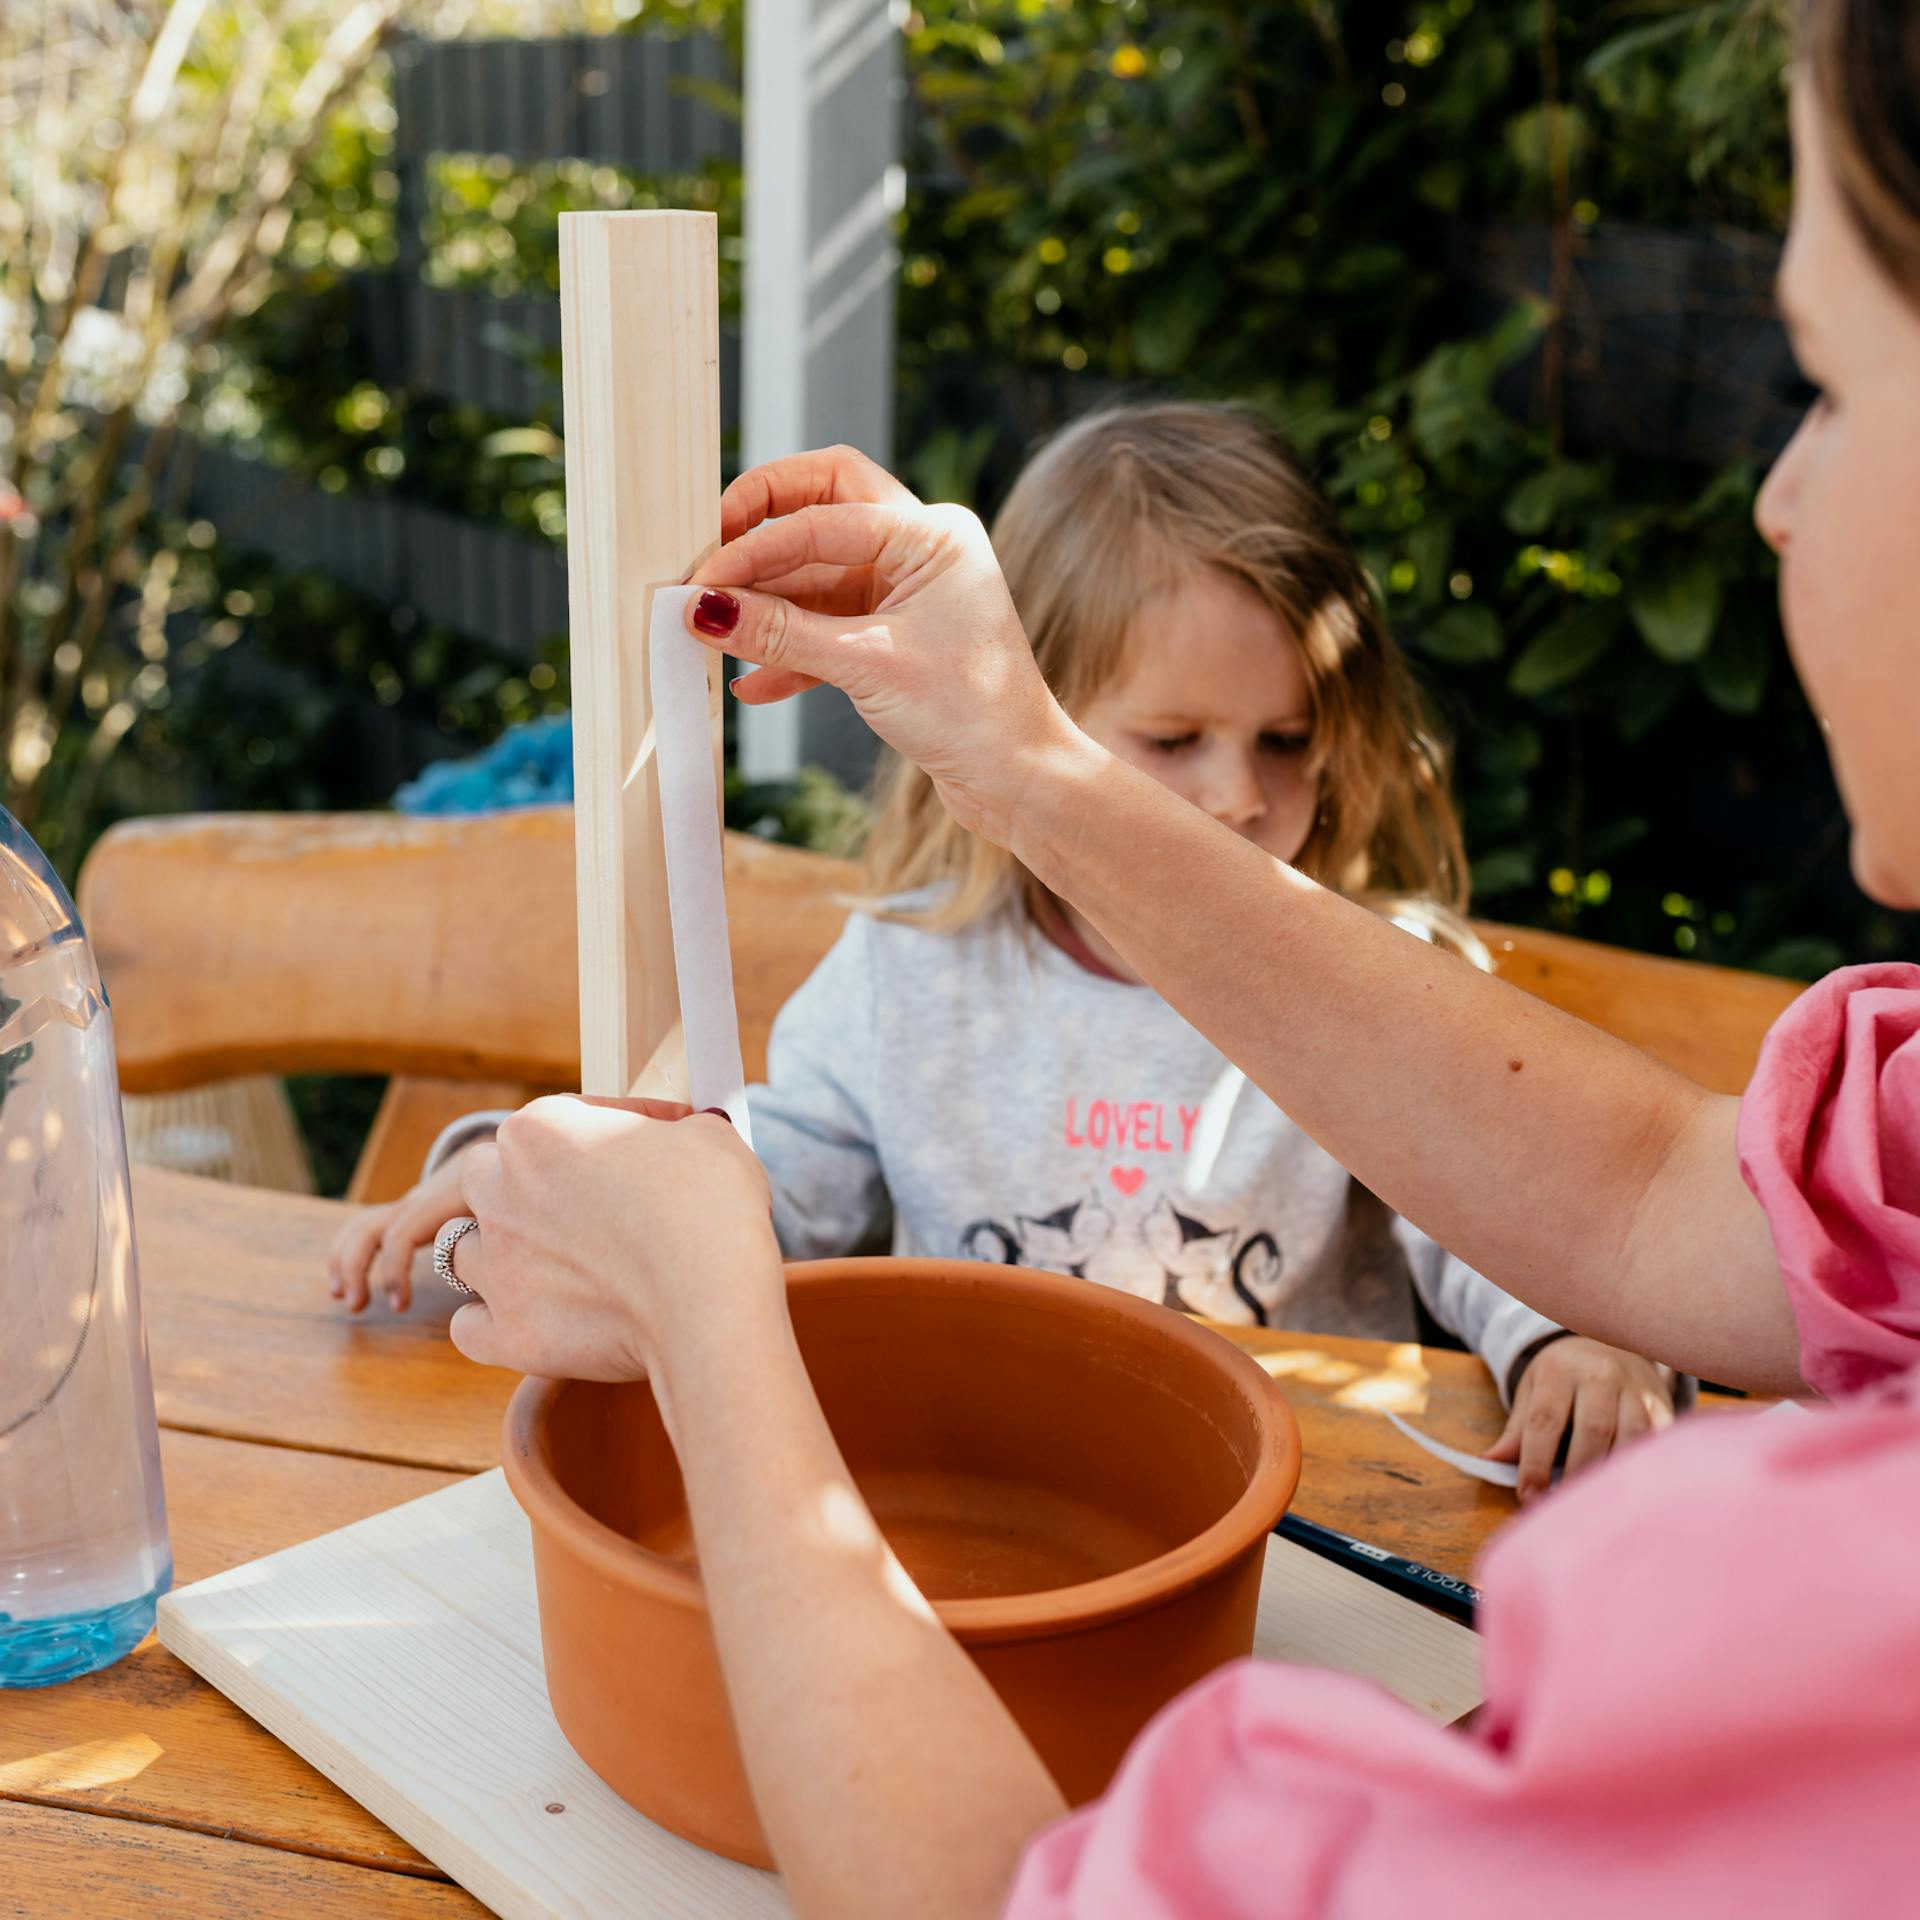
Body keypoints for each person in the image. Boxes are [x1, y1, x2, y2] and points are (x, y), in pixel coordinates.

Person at [437, 2, 1920, 1912]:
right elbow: (1655, 1195)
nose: (1776, 491)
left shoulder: (1813, 1669)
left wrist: (709, 1327)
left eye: (1828, 379)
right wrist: (1033, 763)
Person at [330, 403, 1674, 1491]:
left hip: (1303, 1537)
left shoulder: (1366, 982)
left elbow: (1507, 1205)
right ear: (1017, 711)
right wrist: (534, 1184)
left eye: (1284, 742)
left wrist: (1573, 1333)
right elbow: (754, 1200)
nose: (1236, 799)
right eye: (1172, 741)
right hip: (985, 1521)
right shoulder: (908, 979)